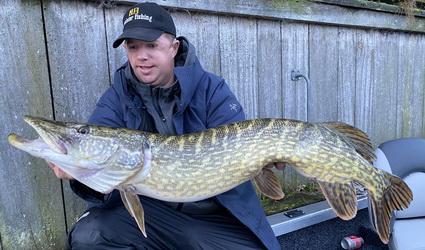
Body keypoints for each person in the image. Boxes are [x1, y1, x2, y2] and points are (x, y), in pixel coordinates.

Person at [49, 2, 281, 249]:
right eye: (133, 46)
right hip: (153, 216)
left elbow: (242, 147)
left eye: (151, 45)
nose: (141, 56)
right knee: (91, 235)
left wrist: (264, 158)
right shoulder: (115, 99)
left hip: (217, 216)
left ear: (173, 47)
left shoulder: (212, 90)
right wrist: (80, 172)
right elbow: (101, 165)